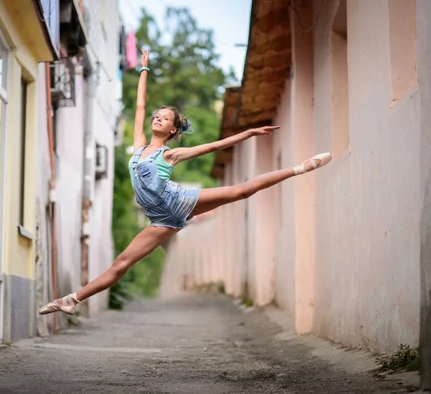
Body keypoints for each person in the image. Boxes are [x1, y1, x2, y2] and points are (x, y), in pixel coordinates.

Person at [39, 50, 331, 315]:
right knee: (121, 263)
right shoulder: (139, 146)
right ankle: (72, 300)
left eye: (165, 118)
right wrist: (144, 70)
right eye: (157, 115)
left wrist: (249, 133)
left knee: (242, 191)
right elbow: (140, 106)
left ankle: (299, 168)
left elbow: (214, 147)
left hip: (179, 201)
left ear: (173, 129)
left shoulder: (172, 154)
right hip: (159, 218)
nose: (157, 118)